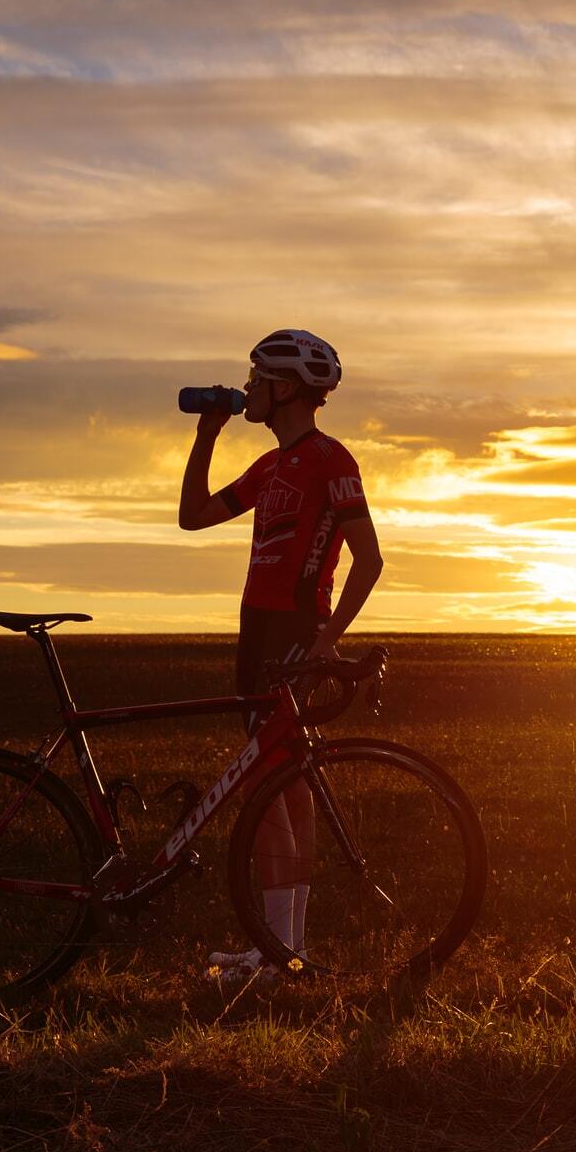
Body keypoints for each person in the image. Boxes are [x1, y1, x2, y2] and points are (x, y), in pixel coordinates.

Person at [177, 329, 383, 982]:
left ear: (287, 387)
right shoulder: (269, 467)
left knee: (271, 794)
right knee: (286, 792)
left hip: (293, 631)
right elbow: (193, 516)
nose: (246, 390)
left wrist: (324, 642)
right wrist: (207, 435)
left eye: (257, 379)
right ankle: (284, 952)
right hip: (256, 630)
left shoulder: (331, 460)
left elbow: (369, 559)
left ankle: (277, 954)